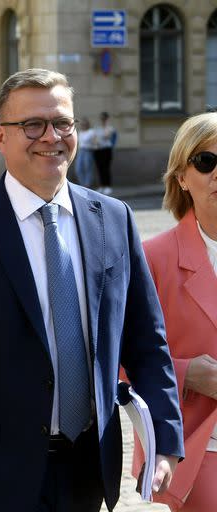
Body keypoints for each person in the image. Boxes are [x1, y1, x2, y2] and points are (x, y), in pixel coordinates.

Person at [0, 68, 184, 512]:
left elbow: (148, 343)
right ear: (0, 137)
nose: (50, 136)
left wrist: (165, 440)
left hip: (88, 468)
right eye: (32, 125)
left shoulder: (113, 218)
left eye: (63, 123)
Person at [132, 112, 217, 511]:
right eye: (206, 162)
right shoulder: (153, 258)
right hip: (200, 444)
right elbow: (114, 359)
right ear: (182, 177)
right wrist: (186, 373)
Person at [94, 111, 116, 194]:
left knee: (106, 168)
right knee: (100, 168)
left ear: (107, 119)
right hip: (98, 149)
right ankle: (102, 186)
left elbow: (107, 136)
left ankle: (108, 186)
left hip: (106, 149)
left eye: (104, 118)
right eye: (101, 118)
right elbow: (95, 138)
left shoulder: (110, 128)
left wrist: (100, 136)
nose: (102, 120)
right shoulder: (98, 128)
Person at [74, 117, 96, 188]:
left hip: (88, 151)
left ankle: (87, 185)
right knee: (78, 169)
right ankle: (83, 185)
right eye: (82, 124)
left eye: (84, 123)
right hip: (80, 151)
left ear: (87, 124)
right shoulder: (80, 132)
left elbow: (95, 142)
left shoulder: (91, 132)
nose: (83, 125)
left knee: (88, 168)